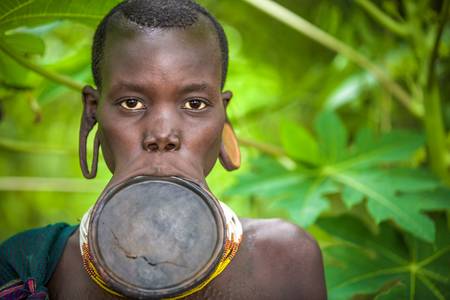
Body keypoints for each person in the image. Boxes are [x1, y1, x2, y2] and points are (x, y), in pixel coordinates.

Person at [0, 1, 327, 299]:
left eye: (195, 103)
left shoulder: (285, 260)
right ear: (93, 112)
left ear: (222, 116)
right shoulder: (27, 265)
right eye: (132, 103)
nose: (162, 134)